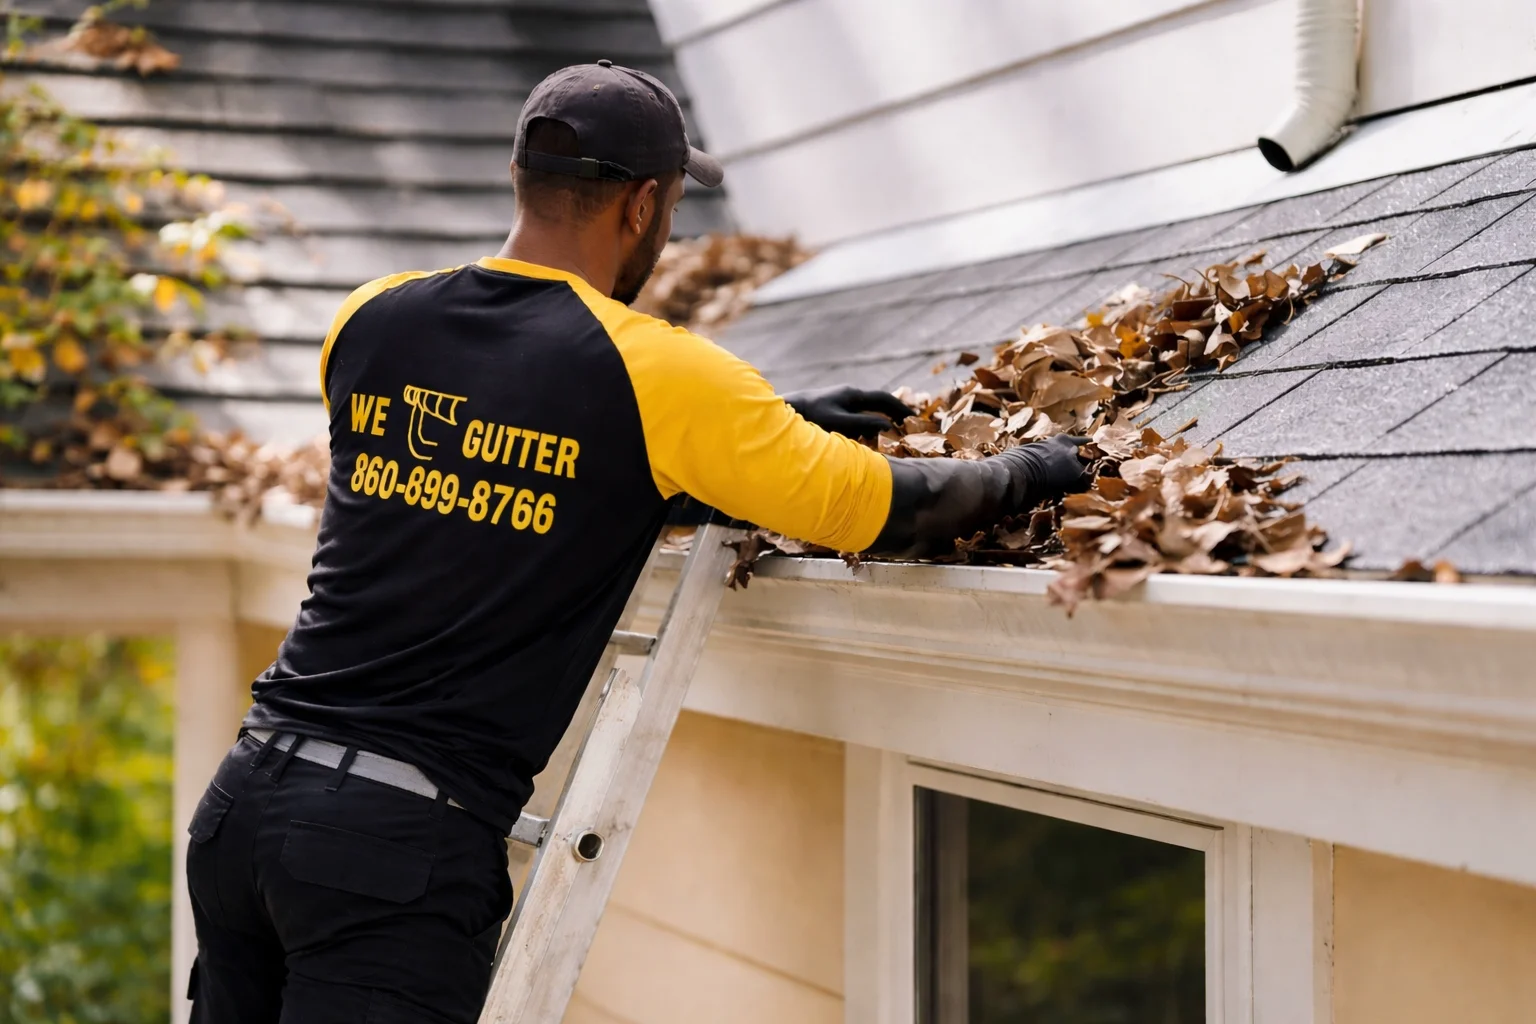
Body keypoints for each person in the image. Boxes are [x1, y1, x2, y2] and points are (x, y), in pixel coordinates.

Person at [184, 61, 1089, 1023]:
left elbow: (510, 460)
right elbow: (878, 508)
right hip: (388, 856)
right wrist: (1036, 469)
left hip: (243, 805)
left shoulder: (369, 319)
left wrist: (771, 424)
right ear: (645, 204)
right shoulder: (656, 373)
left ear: (518, 174)